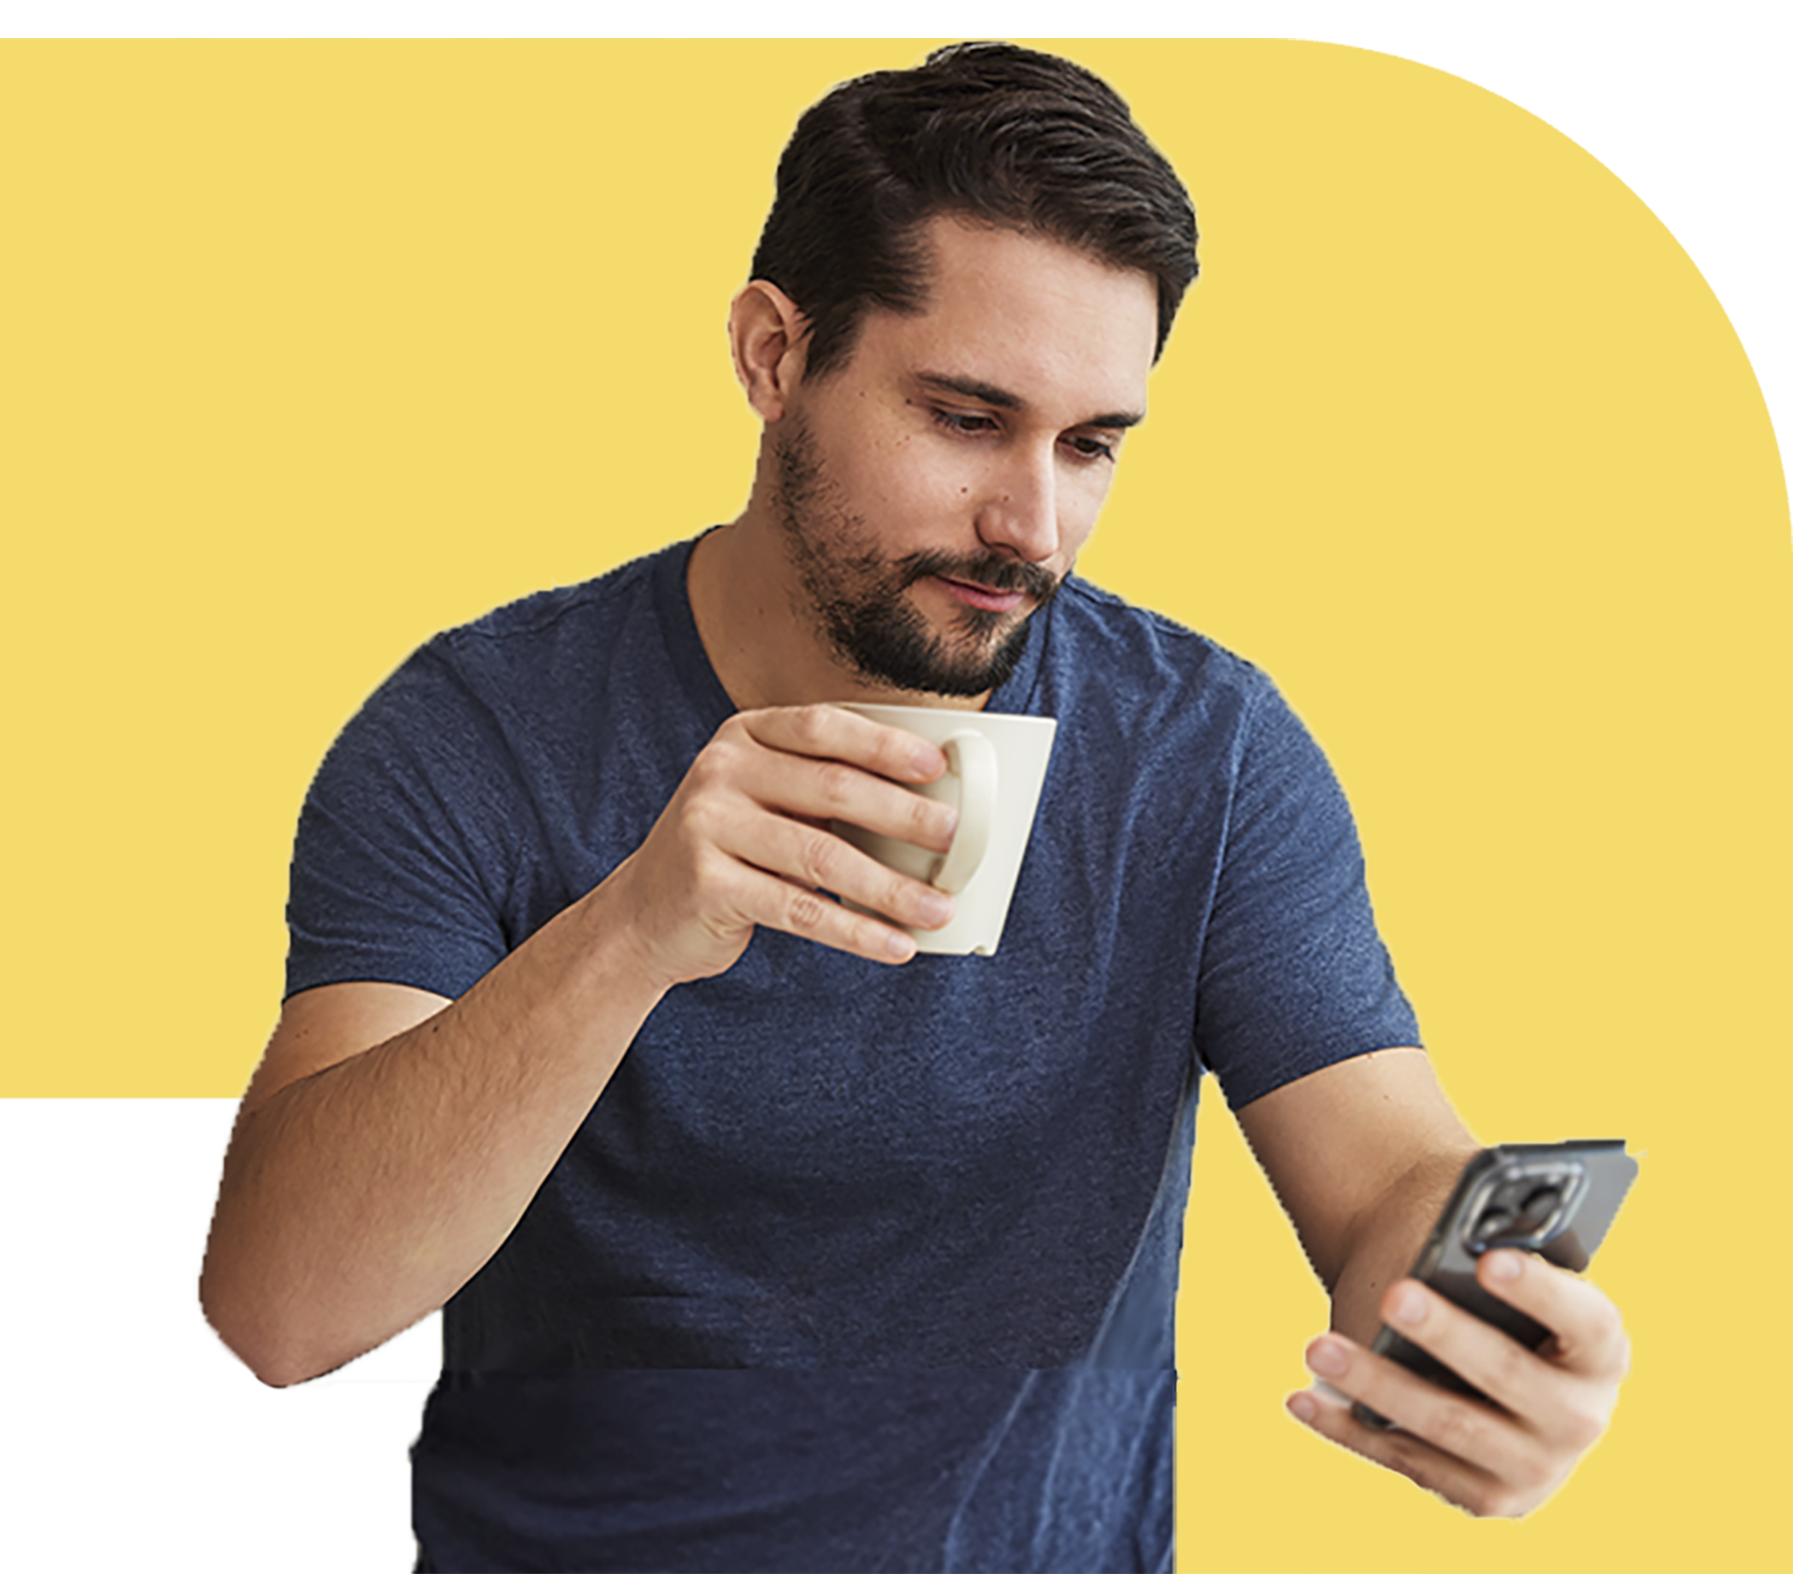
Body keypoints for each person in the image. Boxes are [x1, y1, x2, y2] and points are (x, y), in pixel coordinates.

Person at [200, 42, 1630, 1574]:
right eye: (964, 417)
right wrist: (630, 932)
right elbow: (284, 1307)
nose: (1032, 526)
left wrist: (1482, 1336)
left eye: (1089, 447)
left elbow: (1387, 1175)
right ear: (770, 356)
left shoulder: (1199, 751)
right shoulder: (477, 732)